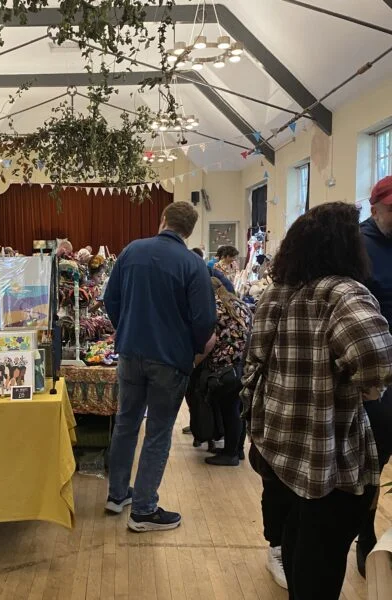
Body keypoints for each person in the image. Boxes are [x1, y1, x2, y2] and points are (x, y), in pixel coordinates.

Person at [242, 202, 392, 599]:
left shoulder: (277, 293)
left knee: (299, 548)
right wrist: (372, 389)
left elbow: (254, 357)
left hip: (281, 443)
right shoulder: (344, 294)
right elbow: (376, 359)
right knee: (322, 561)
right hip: (329, 453)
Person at [104, 201, 217, 532]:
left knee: (125, 422)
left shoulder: (131, 251)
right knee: (157, 431)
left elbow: (111, 299)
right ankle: (144, 509)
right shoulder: (193, 265)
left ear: (163, 219)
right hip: (169, 358)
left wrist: (125, 329)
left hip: (129, 352)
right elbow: (205, 319)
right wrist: (193, 350)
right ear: (189, 230)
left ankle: (116, 494)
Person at [356, 175, 392, 576]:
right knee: (373, 463)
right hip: (378, 372)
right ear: (375, 206)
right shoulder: (359, 246)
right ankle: (364, 535)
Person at [204, 277, 252, 466]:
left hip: (224, 366)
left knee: (229, 410)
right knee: (238, 408)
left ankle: (230, 453)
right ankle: (237, 449)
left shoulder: (213, 308)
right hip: (243, 363)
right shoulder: (239, 304)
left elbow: (209, 339)